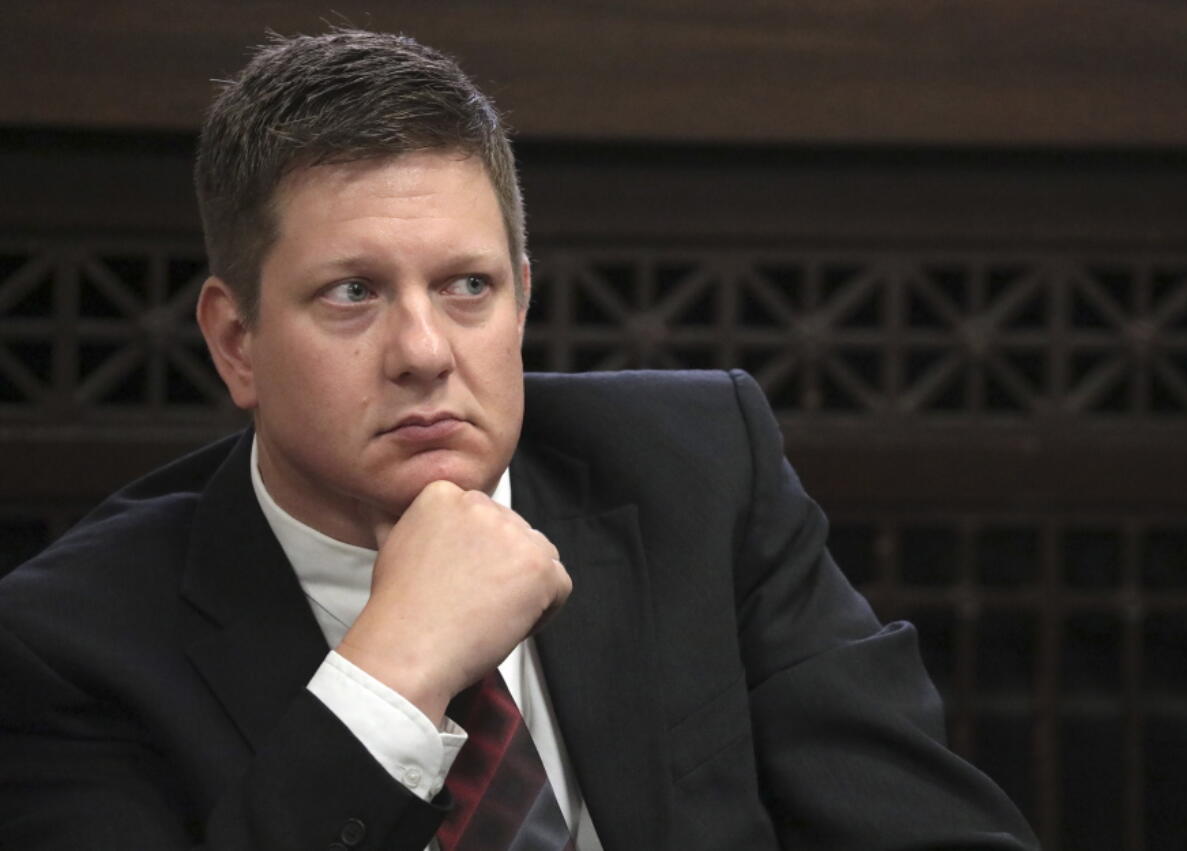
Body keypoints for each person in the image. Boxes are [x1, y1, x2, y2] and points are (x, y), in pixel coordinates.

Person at [0, 29, 1039, 851]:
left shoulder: (694, 470)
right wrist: (392, 672)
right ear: (237, 340)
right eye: (353, 293)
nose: (423, 350)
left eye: (467, 287)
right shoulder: (71, 643)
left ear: (521, 299)